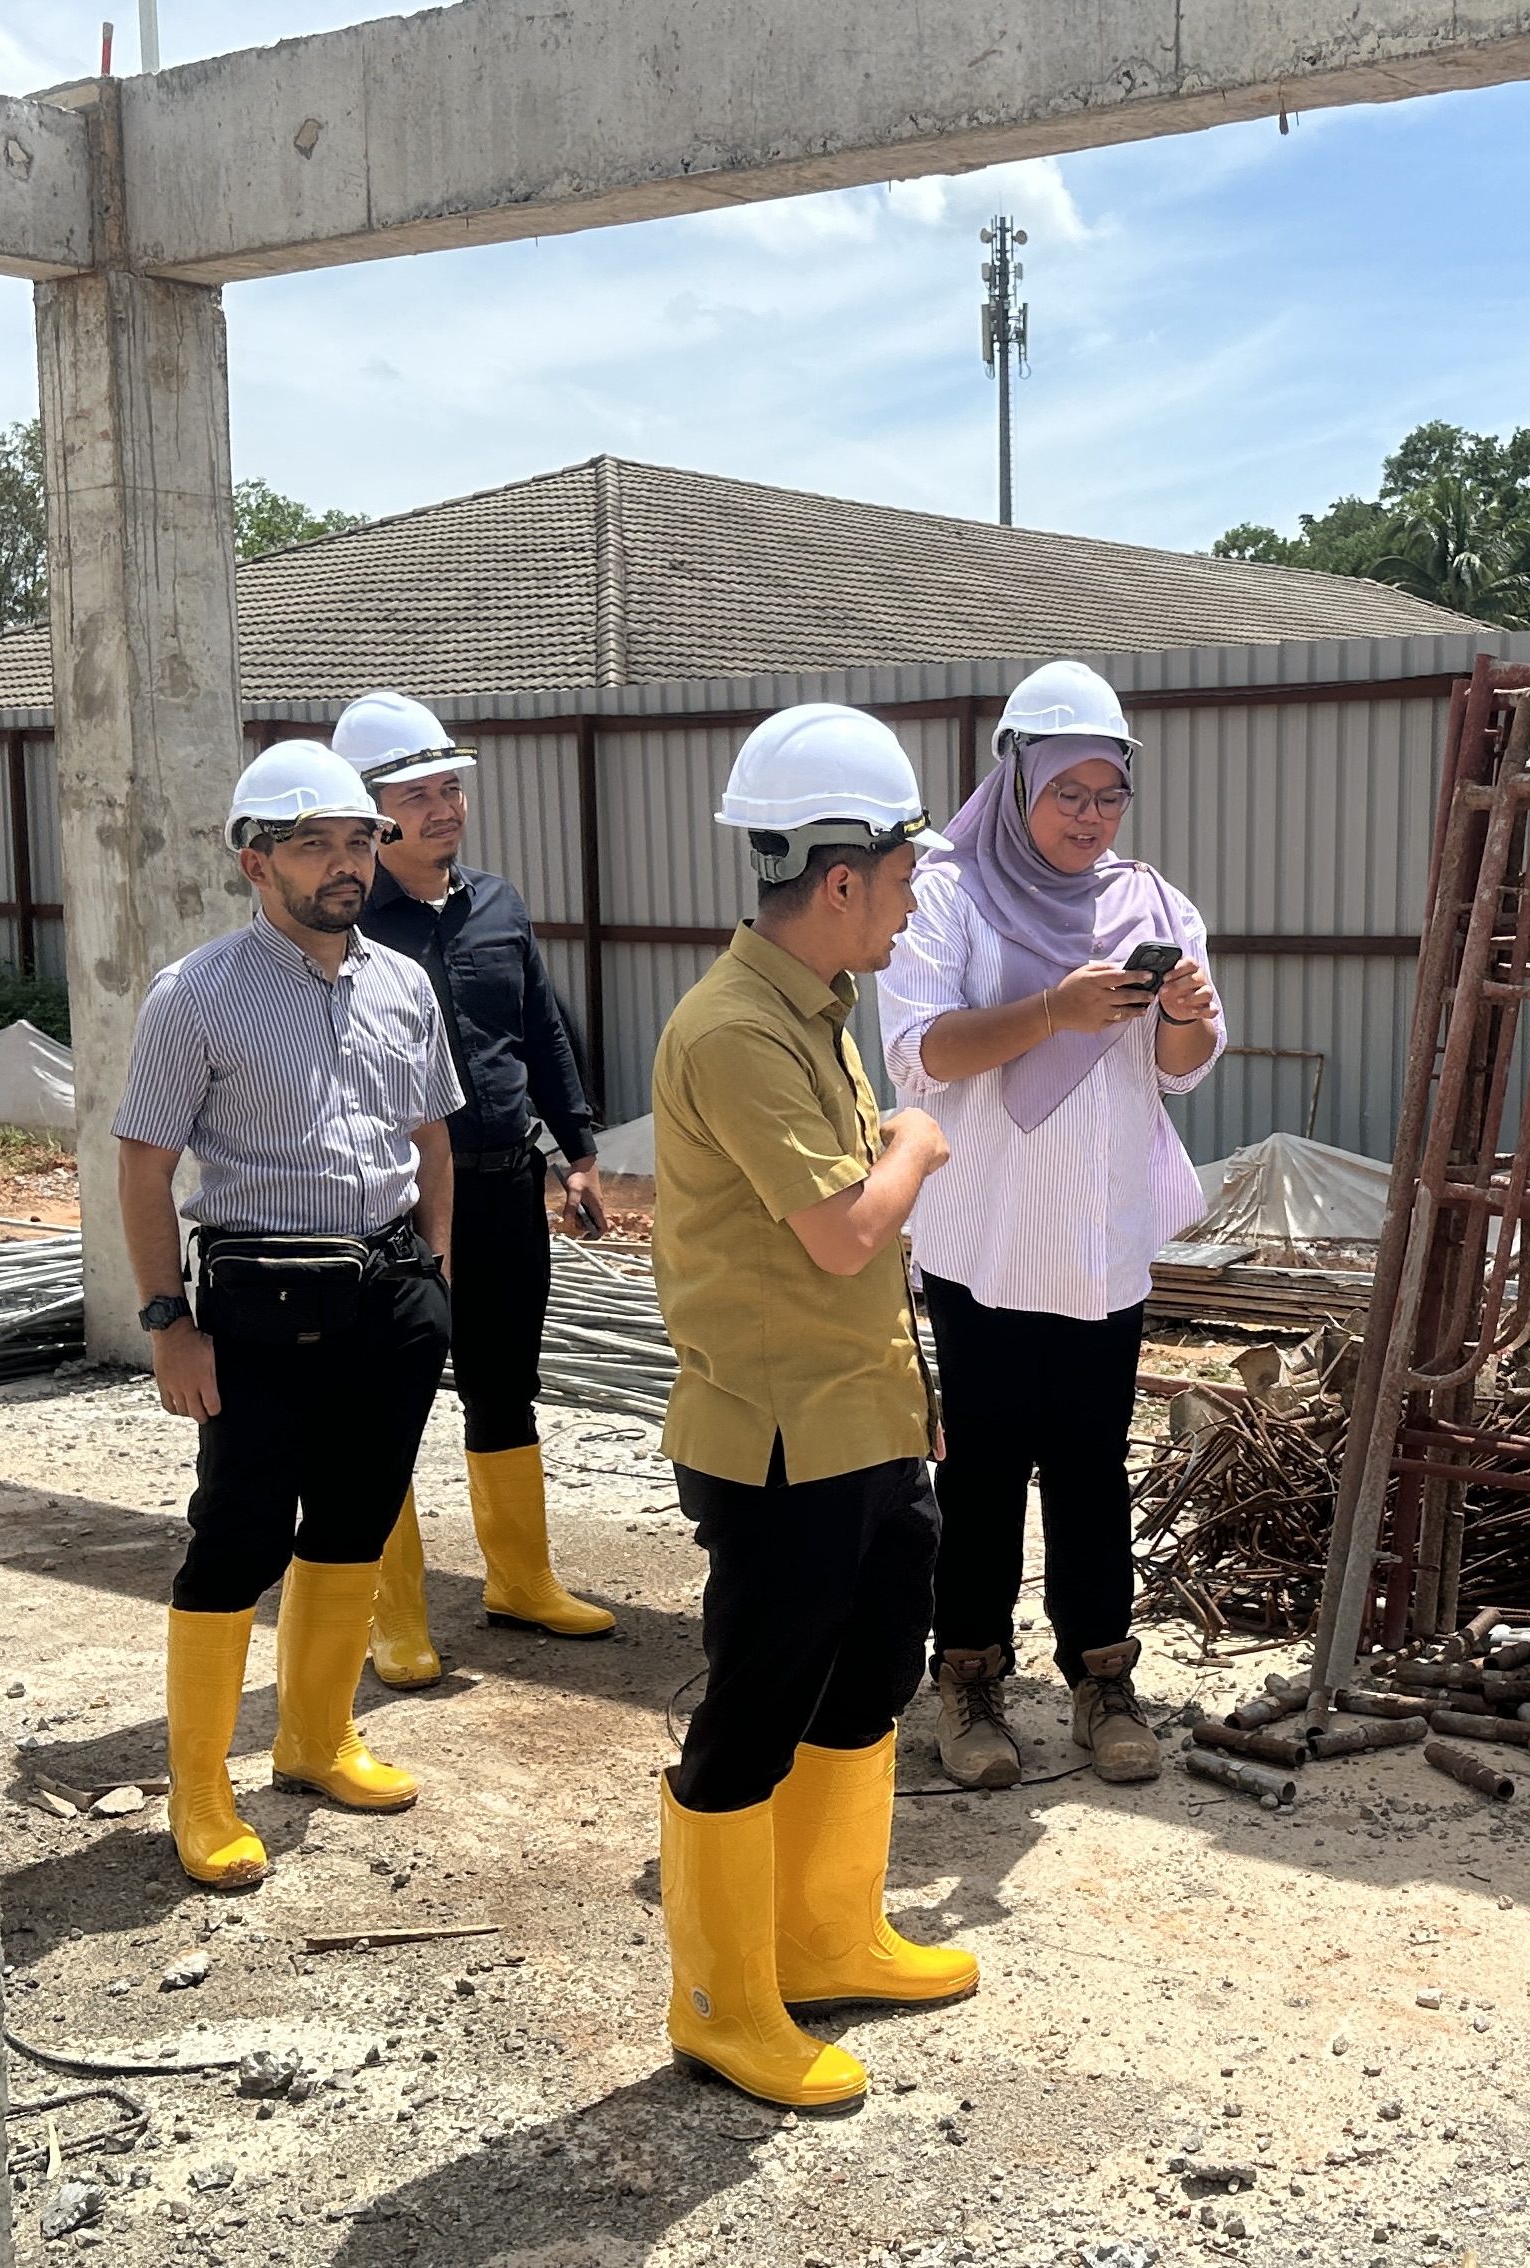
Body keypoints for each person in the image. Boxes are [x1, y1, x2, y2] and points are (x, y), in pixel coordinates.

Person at [646, 702, 977, 2111]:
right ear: (841, 880)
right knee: (757, 1706)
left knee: (869, 1673)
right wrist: (912, 1138)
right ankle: (723, 2000)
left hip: (864, 1421)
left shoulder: (816, 1014)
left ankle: (826, 1937)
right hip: (778, 1440)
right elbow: (845, 1231)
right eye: (903, 880)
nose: (910, 908)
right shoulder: (733, 1030)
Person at [111, 741, 463, 1889]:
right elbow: (145, 1166)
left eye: (358, 840)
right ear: (255, 865)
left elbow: (432, 1141)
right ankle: (202, 1786)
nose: (344, 864)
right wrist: (170, 1321)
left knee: (356, 1518)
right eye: (313, 844)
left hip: (392, 1294)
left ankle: (314, 1740)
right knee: (242, 1531)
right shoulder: (196, 996)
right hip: (262, 1304)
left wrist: (436, 1281)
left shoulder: (403, 984)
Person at [881, 660, 1220, 1789]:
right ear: (1015, 780)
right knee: (978, 1468)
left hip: (1100, 1238)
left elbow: (1178, 1076)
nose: (1089, 817)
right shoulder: (944, 889)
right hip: (985, 1234)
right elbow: (920, 1051)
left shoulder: (1153, 902)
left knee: (1090, 1463)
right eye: (1067, 792)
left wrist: (1181, 1019)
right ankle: (969, 1679)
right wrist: (1051, 1012)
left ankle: (1099, 1674)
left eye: (1107, 794)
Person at [332, 690, 621, 1678]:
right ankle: (394, 1617)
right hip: (398, 1202)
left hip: (506, 1187)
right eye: (420, 793)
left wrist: (577, 1148)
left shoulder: (496, 906)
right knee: (390, 1398)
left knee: (506, 1384)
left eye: (451, 786)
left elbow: (541, 1031)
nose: (446, 806)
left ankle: (520, 1582)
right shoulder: (346, 934)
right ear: (370, 817)